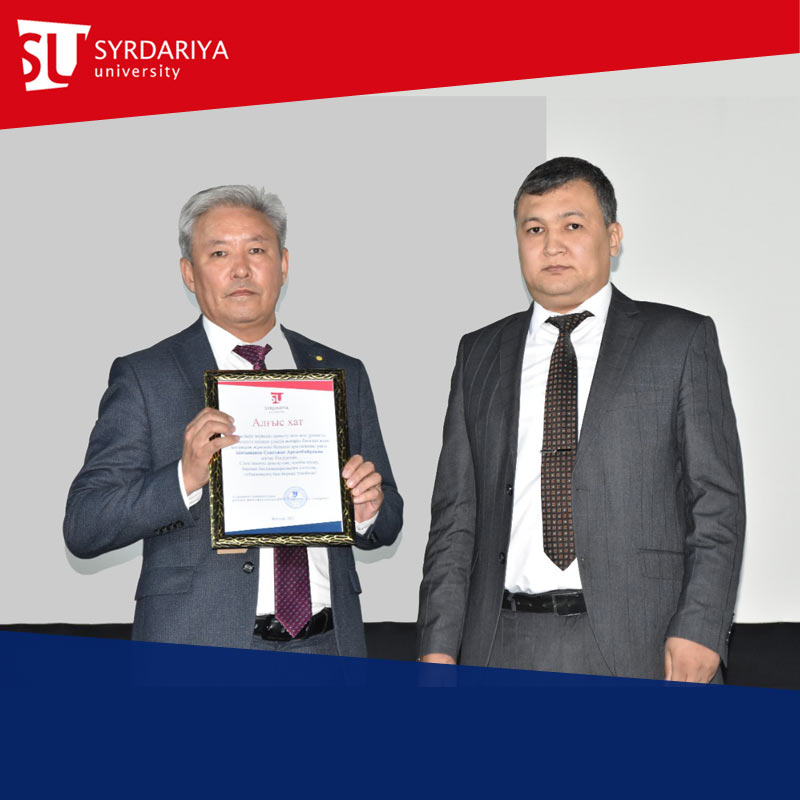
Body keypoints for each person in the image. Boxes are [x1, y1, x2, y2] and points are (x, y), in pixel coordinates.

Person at [417, 157, 744, 681]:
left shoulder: (680, 340)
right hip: (499, 642)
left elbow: (716, 501)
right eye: (534, 230)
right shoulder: (478, 353)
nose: (552, 246)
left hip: (643, 644)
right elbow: (455, 517)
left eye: (572, 225)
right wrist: (437, 647)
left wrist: (703, 626)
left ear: (612, 238)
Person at [65, 185, 402, 657]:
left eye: (257, 250)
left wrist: (369, 509)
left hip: (329, 649)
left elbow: (390, 515)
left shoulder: (341, 372)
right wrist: (184, 477)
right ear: (189, 272)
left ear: (284, 264)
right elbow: (85, 525)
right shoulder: (146, 376)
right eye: (219, 252)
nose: (241, 269)